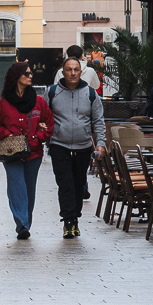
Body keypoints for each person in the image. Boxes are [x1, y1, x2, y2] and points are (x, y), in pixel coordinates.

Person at [0, 61, 54, 240]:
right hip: (11, 153)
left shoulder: (38, 102)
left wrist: (39, 136)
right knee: (16, 187)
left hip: (33, 153)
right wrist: (7, 134)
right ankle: (22, 224)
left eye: (31, 73)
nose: (30, 76)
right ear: (16, 77)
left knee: (29, 190)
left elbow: (50, 124)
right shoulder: (4, 104)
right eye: (26, 74)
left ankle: (26, 223)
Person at [48, 55, 106, 240]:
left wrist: (101, 144)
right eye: (68, 69)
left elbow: (98, 121)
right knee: (65, 185)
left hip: (83, 147)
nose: (72, 73)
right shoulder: (53, 92)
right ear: (62, 72)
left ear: (81, 72)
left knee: (79, 185)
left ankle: (75, 219)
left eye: (75, 70)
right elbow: (43, 116)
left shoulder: (90, 93)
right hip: (59, 146)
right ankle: (68, 221)